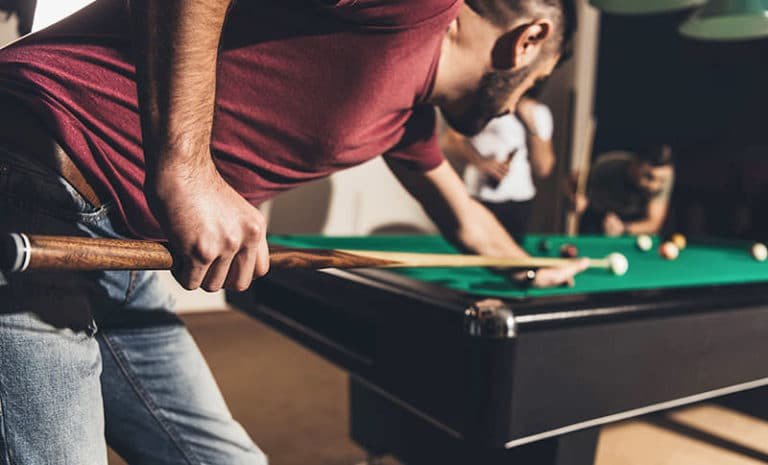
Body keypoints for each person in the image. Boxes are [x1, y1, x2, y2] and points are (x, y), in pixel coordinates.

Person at [0, 1, 584, 464]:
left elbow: (466, 220)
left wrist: (531, 268)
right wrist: (188, 169)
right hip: (32, 178)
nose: (519, 106)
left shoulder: (410, 120)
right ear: (526, 41)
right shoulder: (415, 6)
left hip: (124, 254)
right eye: (535, 83)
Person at [443, 95, 555, 241]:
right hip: (477, 196)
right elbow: (449, 142)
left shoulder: (538, 112)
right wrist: (481, 162)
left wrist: (531, 124)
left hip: (520, 200)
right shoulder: (477, 104)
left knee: (511, 258)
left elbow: (544, 168)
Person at [573, 145, 675, 236]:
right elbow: (571, 180)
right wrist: (576, 197)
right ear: (635, 165)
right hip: (595, 217)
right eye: (648, 177)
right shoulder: (608, 166)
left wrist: (623, 228)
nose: (654, 186)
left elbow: (653, 223)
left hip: (630, 225)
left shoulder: (665, 177)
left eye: (661, 180)